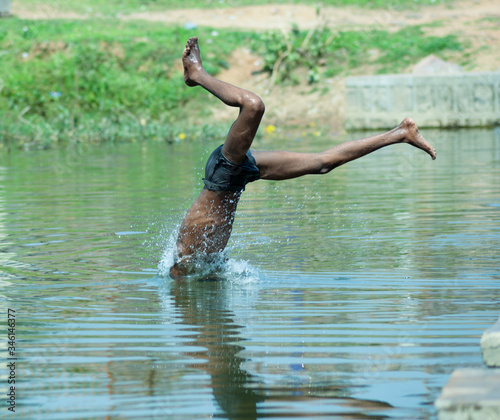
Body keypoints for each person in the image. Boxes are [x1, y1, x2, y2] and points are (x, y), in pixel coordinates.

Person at [169, 37, 436, 279]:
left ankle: (197, 74)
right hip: (236, 180)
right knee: (322, 164)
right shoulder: (204, 266)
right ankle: (401, 133)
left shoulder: (186, 261)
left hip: (223, 173)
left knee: (253, 105)